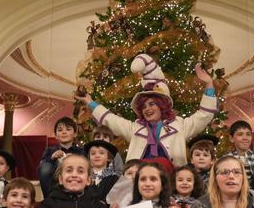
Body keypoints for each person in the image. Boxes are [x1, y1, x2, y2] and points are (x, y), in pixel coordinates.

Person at [77, 54, 216, 167]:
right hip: (140, 182)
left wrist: (209, 84)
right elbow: (111, 120)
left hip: (171, 183)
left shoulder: (179, 125)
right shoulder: (135, 128)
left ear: (162, 106)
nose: (147, 109)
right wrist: (90, 102)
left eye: (152, 104)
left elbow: (204, 115)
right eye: (143, 106)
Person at [37, 117, 83, 198]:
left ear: (75, 134)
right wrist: (52, 157)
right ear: (55, 135)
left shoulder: (80, 151)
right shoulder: (50, 150)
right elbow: (41, 168)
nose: (64, 132)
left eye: (68, 129)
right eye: (60, 130)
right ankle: (49, 199)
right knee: (45, 166)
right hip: (54, 185)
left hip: (74, 182)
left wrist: (74, 159)